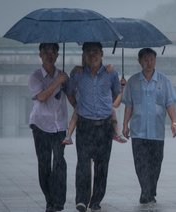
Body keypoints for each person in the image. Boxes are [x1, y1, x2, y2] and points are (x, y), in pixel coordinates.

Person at [67, 42, 121, 212]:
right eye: (88, 52)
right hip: (84, 125)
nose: (92, 55)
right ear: (83, 55)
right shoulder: (77, 74)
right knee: (83, 164)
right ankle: (82, 200)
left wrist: (109, 107)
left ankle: (96, 201)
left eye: (96, 52)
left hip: (104, 126)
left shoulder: (111, 73)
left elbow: (117, 92)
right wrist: (78, 106)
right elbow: (69, 92)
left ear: (102, 54)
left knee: (102, 166)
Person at [122, 48, 176, 204]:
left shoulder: (164, 81)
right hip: (138, 131)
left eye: (152, 59)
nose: (149, 63)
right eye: (146, 59)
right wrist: (125, 124)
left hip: (157, 132)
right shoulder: (133, 81)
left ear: (155, 60)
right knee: (140, 164)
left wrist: (174, 121)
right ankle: (146, 192)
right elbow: (128, 105)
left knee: (155, 165)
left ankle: (150, 190)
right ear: (139, 61)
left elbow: (170, 103)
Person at [28, 43, 68, 212]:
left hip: (59, 126)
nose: (50, 55)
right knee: (44, 164)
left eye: (53, 52)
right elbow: (42, 97)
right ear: (40, 55)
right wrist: (57, 81)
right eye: (46, 52)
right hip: (41, 125)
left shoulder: (63, 76)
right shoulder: (35, 77)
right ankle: (49, 199)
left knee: (59, 163)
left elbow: (73, 95)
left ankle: (59, 201)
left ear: (58, 55)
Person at [62, 67, 127, 145]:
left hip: (100, 108)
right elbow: (71, 92)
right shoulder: (80, 81)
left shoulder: (103, 81)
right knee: (75, 114)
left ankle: (117, 133)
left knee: (112, 111)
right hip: (83, 106)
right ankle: (68, 136)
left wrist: (122, 87)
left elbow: (115, 103)